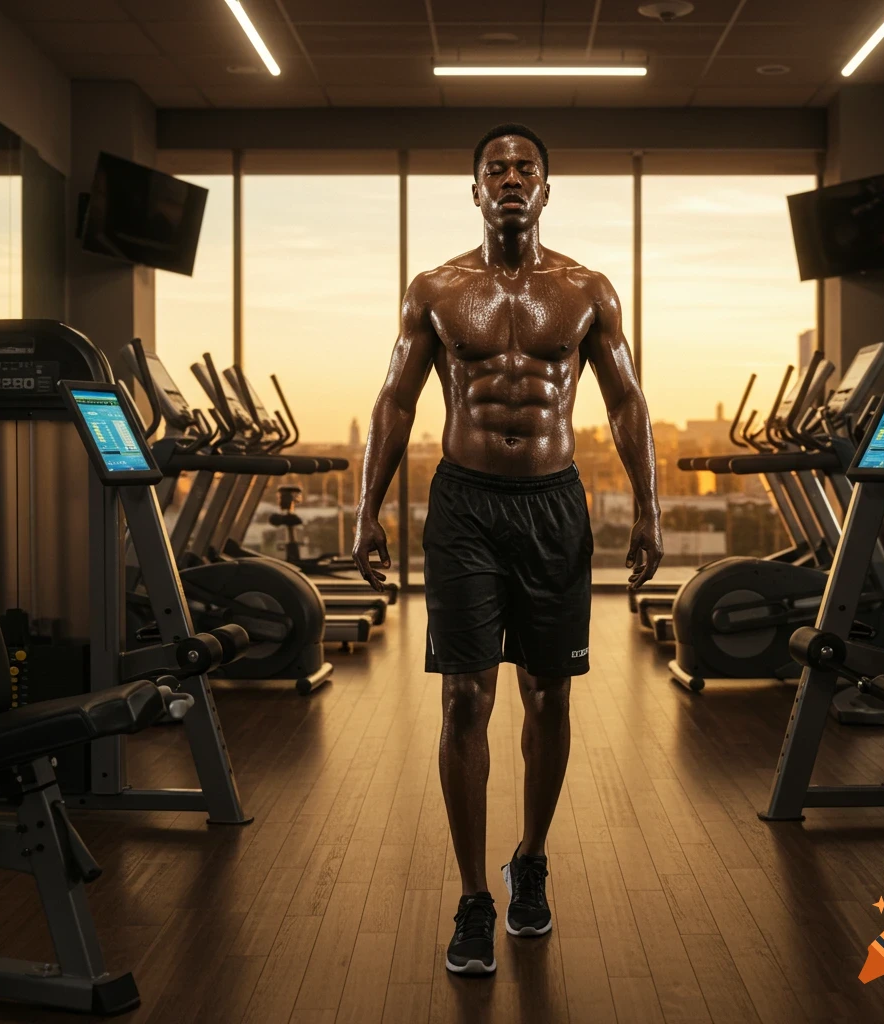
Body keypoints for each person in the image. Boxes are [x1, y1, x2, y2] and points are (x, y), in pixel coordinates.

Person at [352, 123, 663, 976]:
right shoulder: (436, 290)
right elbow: (393, 402)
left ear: (547, 188)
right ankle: (473, 898)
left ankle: (530, 860)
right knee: (463, 699)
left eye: (527, 167)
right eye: (497, 168)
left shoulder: (588, 289)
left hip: (555, 507)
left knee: (550, 696)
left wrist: (648, 507)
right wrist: (366, 509)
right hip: (465, 505)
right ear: (477, 189)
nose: (512, 178)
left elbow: (627, 403)